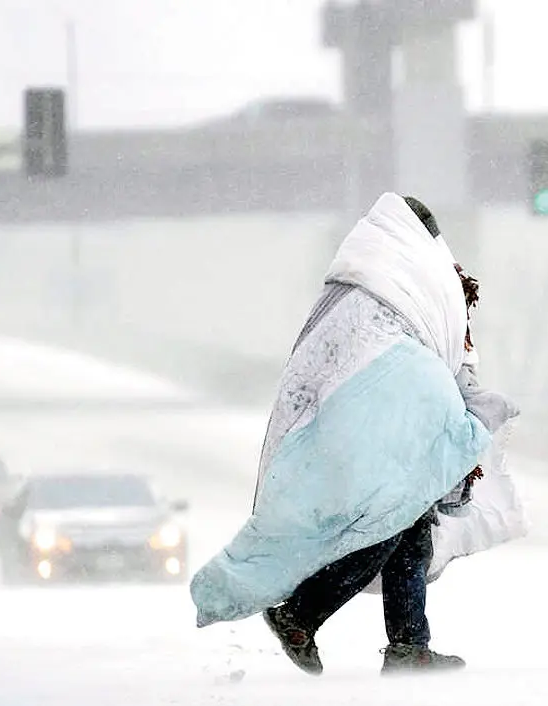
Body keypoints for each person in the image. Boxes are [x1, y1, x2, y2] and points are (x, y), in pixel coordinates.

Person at [189, 193, 526, 674]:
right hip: (381, 424)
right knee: (387, 522)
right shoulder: (416, 281)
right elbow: (432, 355)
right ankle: (301, 612)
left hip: (349, 421)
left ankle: (409, 644)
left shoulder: (360, 284)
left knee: (409, 526)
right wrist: (462, 413)